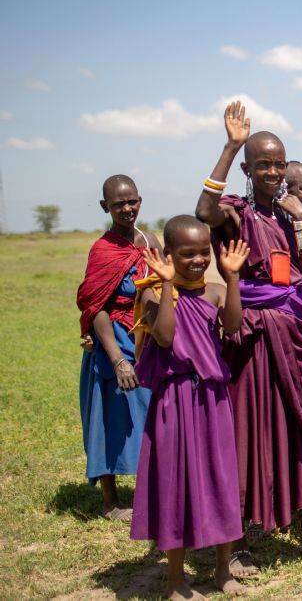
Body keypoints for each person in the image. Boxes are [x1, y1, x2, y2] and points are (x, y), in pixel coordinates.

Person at [194, 101, 302, 571]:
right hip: (254, 336)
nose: (274, 172)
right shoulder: (237, 215)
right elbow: (203, 210)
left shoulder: (286, 215)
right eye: (263, 165)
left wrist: (301, 226)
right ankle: (236, 538)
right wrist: (230, 143)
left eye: (279, 164)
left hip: (296, 331)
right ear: (247, 169)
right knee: (250, 430)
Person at [130, 217, 248, 599]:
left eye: (203, 252)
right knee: (175, 481)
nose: (197, 260)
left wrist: (231, 279)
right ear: (168, 255)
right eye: (186, 254)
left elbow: (233, 325)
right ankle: (177, 580)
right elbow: (164, 337)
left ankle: (222, 568)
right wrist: (166, 283)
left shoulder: (213, 291)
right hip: (173, 401)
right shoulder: (151, 294)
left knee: (221, 478)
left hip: (212, 399)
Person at [76, 174, 158, 521]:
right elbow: (96, 308)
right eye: (119, 203)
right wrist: (117, 360)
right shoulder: (104, 249)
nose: (127, 209)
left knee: (151, 413)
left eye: (132, 201)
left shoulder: (150, 240)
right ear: (105, 207)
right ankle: (111, 501)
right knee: (110, 415)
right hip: (115, 341)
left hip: (148, 338)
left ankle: (152, 492)